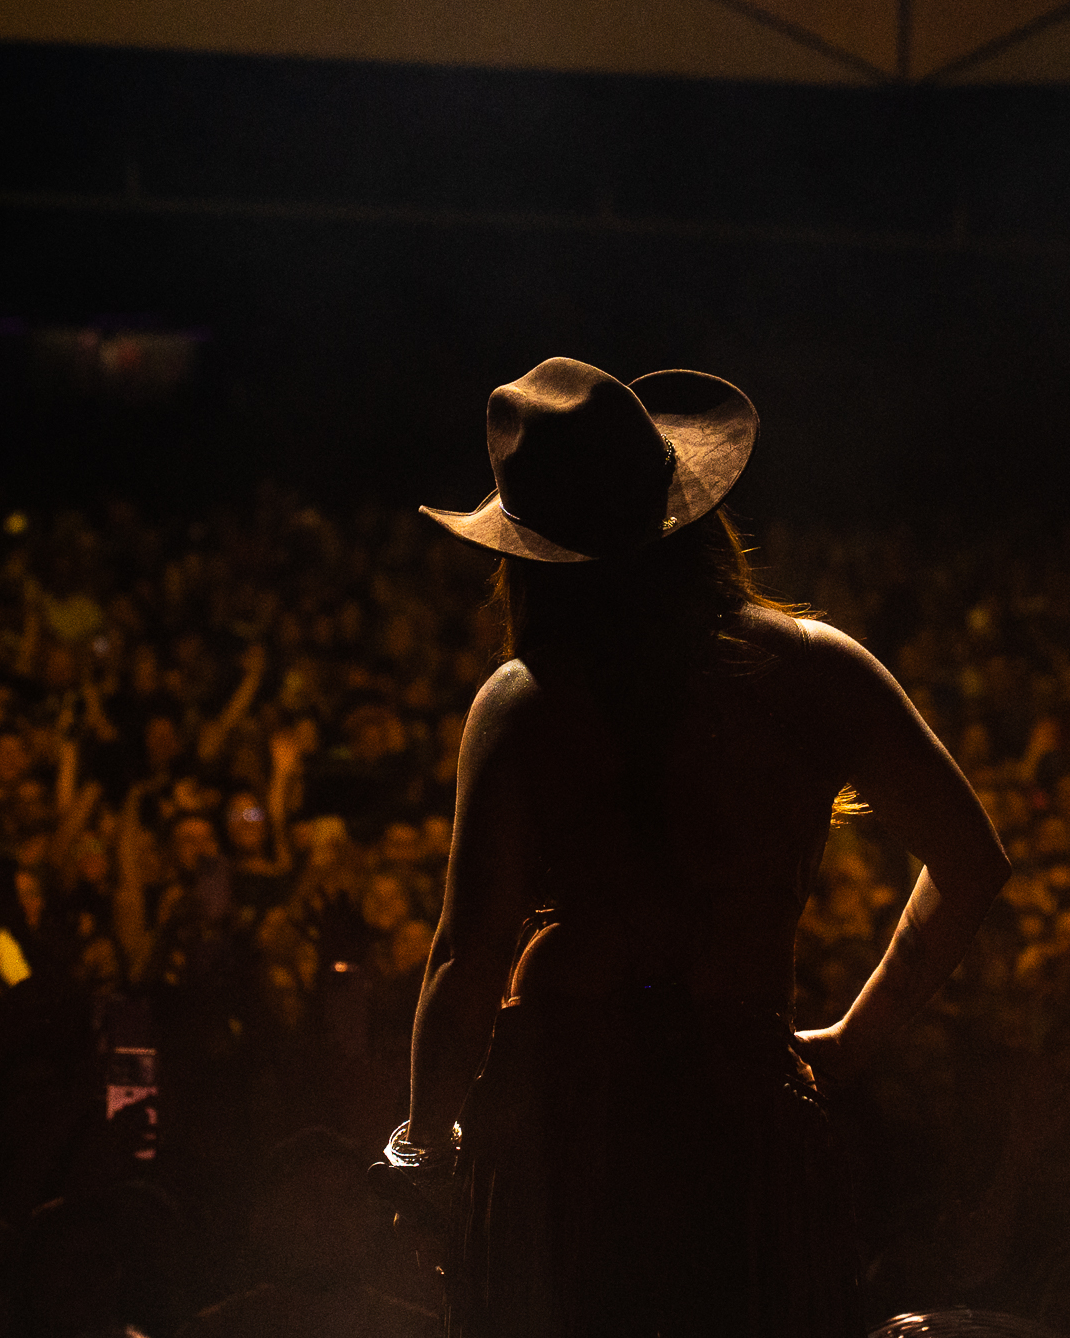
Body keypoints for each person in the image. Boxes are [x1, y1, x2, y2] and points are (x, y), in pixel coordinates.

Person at [382, 359, 1009, 1338]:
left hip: (569, 1129)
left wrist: (421, 1146)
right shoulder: (816, 668)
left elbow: (468, 956)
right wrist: (853, 1040)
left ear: (533, 553)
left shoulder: (524, 701)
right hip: (742, 1116)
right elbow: (971, 862)